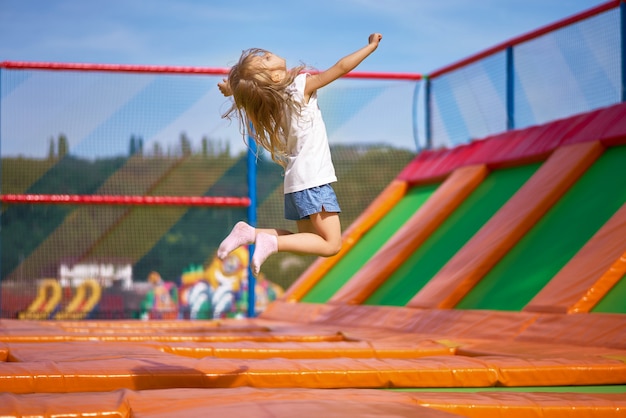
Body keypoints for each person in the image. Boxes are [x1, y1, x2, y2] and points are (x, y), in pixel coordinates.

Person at [217, 33, 383, 276]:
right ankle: (270, 242)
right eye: (264, 58)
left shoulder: (274, 100)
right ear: (274, 76)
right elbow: (340, 68)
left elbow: (256, 89)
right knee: (331, 244)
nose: (267, 53)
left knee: (308, 238)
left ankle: (251, 234)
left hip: (295, 182)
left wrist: (234, 90)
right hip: (313, 178)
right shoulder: (299, 86)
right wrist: (370, 48)